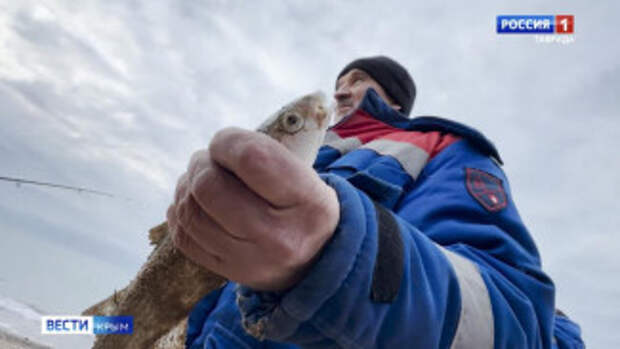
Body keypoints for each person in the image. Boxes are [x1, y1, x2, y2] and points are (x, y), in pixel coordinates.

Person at [168, 56, 585, 348]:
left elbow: (511, 321)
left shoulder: (442, 146)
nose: (341, 90)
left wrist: (334, 253)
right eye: (340, 82)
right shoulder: (314, 154)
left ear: (395, 99)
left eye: (358, 79)